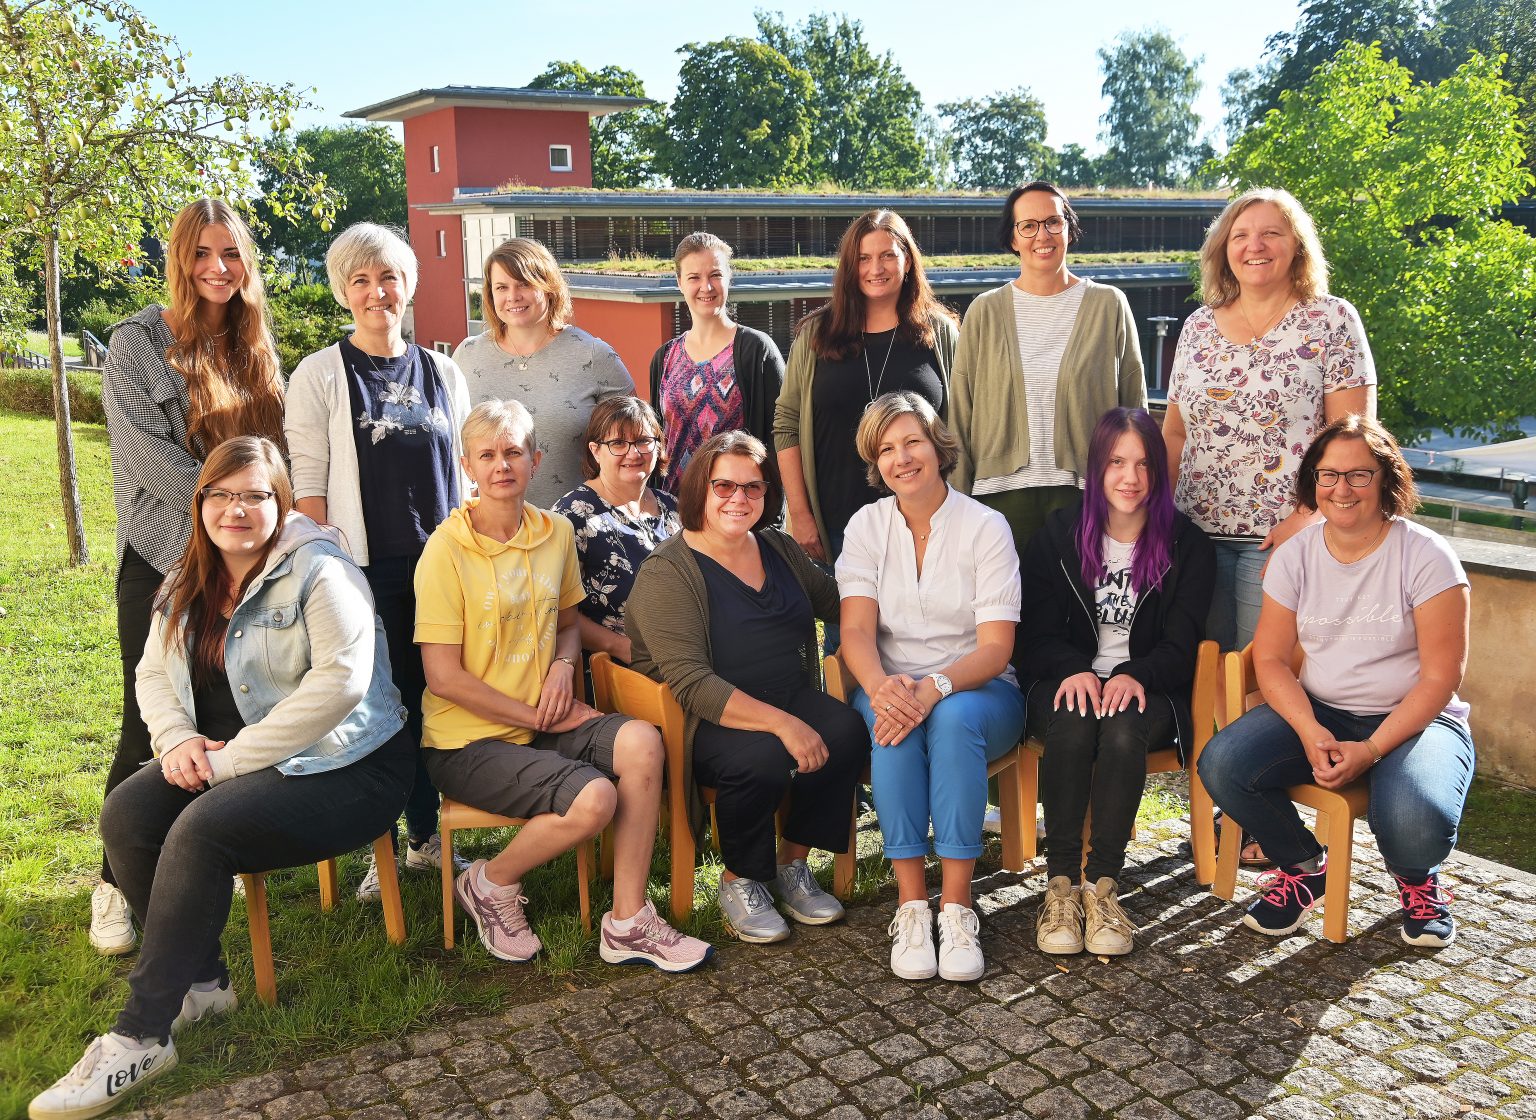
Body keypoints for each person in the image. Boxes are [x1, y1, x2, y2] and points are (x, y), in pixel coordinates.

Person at [29, 437, 414, 1120]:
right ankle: (204, 985)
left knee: (203, 829)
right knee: (127, 815)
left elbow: (341, 685)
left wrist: (225, 764)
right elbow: (152, 671)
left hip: (349, 765)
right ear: (200, 500)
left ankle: (141, 1035)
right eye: (221, 494)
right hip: (235, 754)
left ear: (281, 503)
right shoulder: (189, 576)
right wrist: (176, 741)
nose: (236, 509)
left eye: (254, 495)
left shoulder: (321, 570)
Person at [414, 400, 711, 971]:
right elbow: (442, 678)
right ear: (467, 467)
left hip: (546, 719)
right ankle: (489, 883)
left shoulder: (555, 533)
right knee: (594, 797)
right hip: (467, 742)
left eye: (514, 452)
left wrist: (560, 668)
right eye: (487, 455)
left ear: (536, 460)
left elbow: (570, 625)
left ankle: (628, 921)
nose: (502, 465)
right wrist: (537, 716)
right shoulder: (445, 551)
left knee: (643, 742)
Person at [1198, 415, 1473, 947]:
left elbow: (1442, 678)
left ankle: (1418, 880)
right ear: (1313, 481)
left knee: (1414, 821)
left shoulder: (1427, 555)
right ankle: (1304, 869)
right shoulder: (1296, 555)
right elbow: (1271, 659)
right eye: (1328, 475)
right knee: (1223, 763)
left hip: (1418, 721)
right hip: (1323, 709)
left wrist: (1370, 750)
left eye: (1358, 475)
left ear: (1387, 480)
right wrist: (1309, 730)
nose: (1341, 489)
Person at [94, 199, 286, 956]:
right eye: (203, 253)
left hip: (244, 562)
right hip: (166, 560)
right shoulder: (137, 343)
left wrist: (265, 533)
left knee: (226, 706)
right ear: (179, 258)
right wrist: (236, 512)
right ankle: (113, 883)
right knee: (149, 718)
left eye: (231, 254)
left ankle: (196, 847)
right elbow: (146, 457)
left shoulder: (254, 343)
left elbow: (275, 451)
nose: (218, 268)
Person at [285, 222, 472, 897]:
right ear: (343, 292)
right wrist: (327, 581)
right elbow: (309, 486)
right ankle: (381, 847)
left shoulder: (445, 372)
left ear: (408, 285)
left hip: (442, 571)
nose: (376, 292)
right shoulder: (320, 374)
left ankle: (425, 838)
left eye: (388, 277)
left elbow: (466, 475)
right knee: (375, 710)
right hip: (362, 573)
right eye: (360, 280)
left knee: (431, 705)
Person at [626, 431, 872, 944]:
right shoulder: (667, 572)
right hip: (704, 717)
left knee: (847, 730)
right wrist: (784, 726)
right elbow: (693, 684)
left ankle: (791, 865)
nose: (738, 498)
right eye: (724, 486)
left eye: (753, 487)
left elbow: (838, 601)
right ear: (700, 488)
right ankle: (740, 880)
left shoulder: (777, 547)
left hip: (787, 692)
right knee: (761, 757)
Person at [836, 392, 1024, 982]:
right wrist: (882, 688)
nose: (902, 458)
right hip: (890, 682)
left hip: (980, 689)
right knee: (890, 724)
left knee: (953, 719)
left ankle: (958, 907)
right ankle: (913, 906)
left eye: (912, 441)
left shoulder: (985, 527)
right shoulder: (866, 526)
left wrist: (937, 686)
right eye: (887, 449)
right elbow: (855, 632)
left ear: (937, 447)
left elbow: (995, 649)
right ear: (876, 462)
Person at [1018, 408, 1215, 957]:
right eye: (1116, 462)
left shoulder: (1187, 545)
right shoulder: (1056, 536)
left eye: (1144, 464)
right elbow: (1032, 636)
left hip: (1150, 688)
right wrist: (1073, 668)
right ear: (1096, 468)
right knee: (1075, 721)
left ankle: (1103, 887)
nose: (1130, 477)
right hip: (1065, 681)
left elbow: (1182, 646)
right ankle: (1061, 887)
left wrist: (1134, 675)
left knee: (1124, 727)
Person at [1164, 187, 1376, 653]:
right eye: (1240, 235)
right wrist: (1158, 518)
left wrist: (1305, 519)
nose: (1254, 246)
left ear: (1297, 245)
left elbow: (1352, 441)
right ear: (1223, 249)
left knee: (1261, 670)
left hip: (1283, 537)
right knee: (1201, 669)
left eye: (1271, 234)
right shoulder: (1198, 326)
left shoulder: (1331, 319)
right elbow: (1175, 434)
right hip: (1193, 537)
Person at [949, 180, 1148, 568]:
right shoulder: (984, 312)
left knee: (1082, 604)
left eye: (1053, 222)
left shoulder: (1109, 305)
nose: (1042, 235)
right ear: (1013, 239)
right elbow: (960, 414)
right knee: (1004, 605)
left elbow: (1134, 410)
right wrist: (955, 503)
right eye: (1028, 226)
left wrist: (1135, 491)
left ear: (1069, 229)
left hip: (1087, 493)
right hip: (997, 500)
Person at [774, 210, 959, 563]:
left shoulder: (940, 334)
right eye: (863, 258)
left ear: (908, 261)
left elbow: (962, 425)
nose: (876, 268)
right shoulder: (816, 334)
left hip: (926, 526)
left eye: (888, 255)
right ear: (849, 266)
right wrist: (800, 514)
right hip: (835, 527)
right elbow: (787, 425)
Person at [454, 238, 634, 506]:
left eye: (524, 284)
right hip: (489, 527)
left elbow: (633, 448)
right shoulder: (466, 356)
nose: (513, 296)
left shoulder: (594, 355)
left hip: (577, 525)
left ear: (549, 287)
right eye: (501, 287)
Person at [649, 232, 785, 493]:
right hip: (673, 507)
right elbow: (657, 442)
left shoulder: (757, 350)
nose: (706, 287)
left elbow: (781, 439)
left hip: (736, 505)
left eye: (715, 275)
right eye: (694, 277)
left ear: (728, 277)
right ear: (679, 282)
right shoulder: (664, 358)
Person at [553, 396, 680, 665]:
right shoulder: (572, 516)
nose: (633, 453)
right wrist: (622, 648)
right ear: (596, 451)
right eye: (618, 443)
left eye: (643, 441)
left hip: (683, 653)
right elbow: (556, 611)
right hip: (620, 667)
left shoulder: (674, 507)